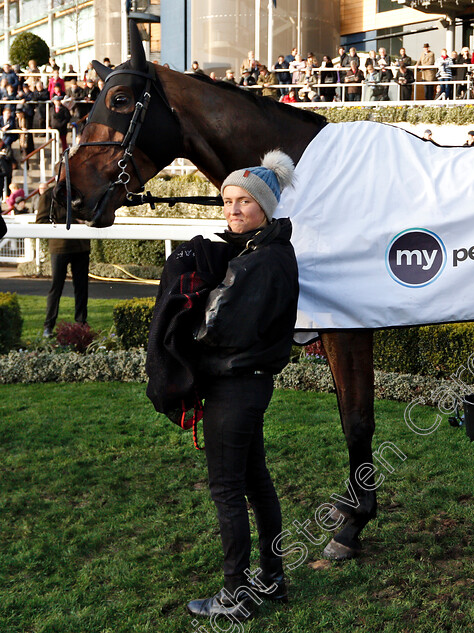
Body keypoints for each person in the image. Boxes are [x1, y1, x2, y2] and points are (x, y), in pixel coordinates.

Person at [157, 152, 298, 621]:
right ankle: (272, 577)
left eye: (243, 203)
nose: (233, 211)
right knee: (255, 483)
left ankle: (236, 595)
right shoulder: (264, 251)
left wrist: (178, 324)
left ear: (265, 209)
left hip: (234, 385)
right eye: (227, 201)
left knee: (227, 489)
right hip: (247, 385)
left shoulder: (262, 261)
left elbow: (217, 329)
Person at [35, 186, 90, 338]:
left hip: (82, 245)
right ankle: (49, 325)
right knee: (56, 287)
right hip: (60, 246)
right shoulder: (49, 195)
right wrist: (71, 221)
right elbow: (41, 222)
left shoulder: (82, 191)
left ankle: (81, 324)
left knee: (82, 288)